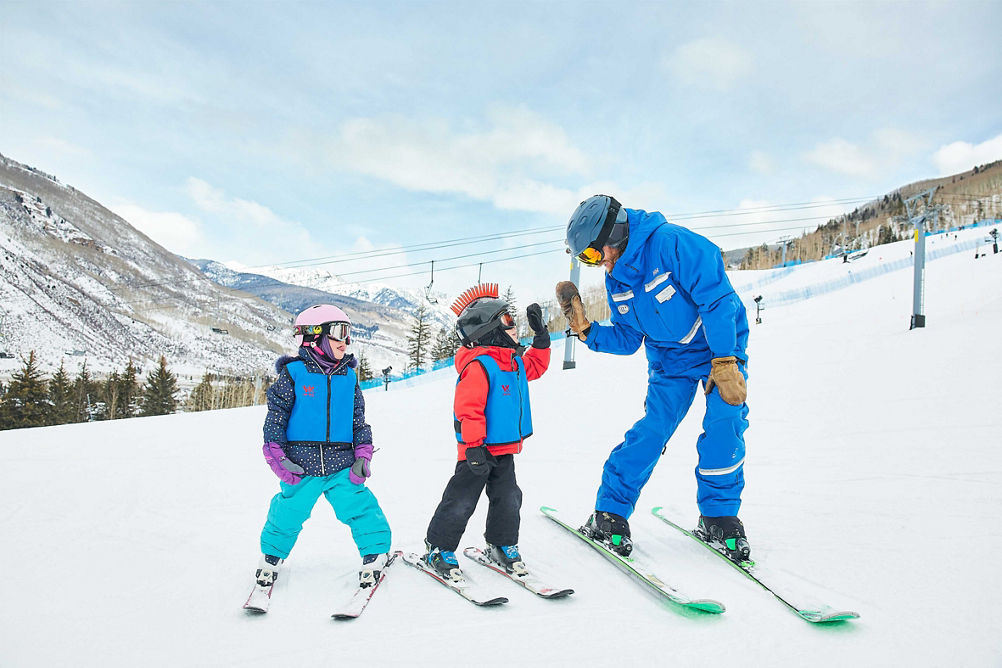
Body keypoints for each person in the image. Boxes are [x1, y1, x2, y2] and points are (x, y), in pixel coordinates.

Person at [556, 194, 751, 562]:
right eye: (585, 260)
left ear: (614, 234)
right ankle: (610, 512)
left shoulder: (672, 243)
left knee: (725, 424)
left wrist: (726, 359)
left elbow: (718, 300)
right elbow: (630, 339)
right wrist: (587, 331)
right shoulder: (618, 282)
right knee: (652, 430)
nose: (597, 265)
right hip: (669, 361)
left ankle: (719, 516)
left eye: (594, 255)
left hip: (717, 350)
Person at [253, 304, 392, 592]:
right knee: (289, 511)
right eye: (339, 332)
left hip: (342, 463)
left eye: (349, 333)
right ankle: (272, 556)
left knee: (361, 507)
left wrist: (363, 454)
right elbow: (275, 419)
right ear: (314, 337)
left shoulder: (349, 377)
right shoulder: (294, 374)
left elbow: (358, 421)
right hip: (300, 465)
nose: (346, 341)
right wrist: (277, 457)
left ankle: (375, 551)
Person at [423, 284, 551, 579]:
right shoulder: (479, 366)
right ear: (489, 329)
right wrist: (473, 446)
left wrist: (541, 339)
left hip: (504, 448)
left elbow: (535, 367)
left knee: (509, 498)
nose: (515, 326)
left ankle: (501, 543)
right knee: (462, 499)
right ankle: (438, 546)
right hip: (477, 450)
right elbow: (468, 409)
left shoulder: (512, 362)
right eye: (508, 321)